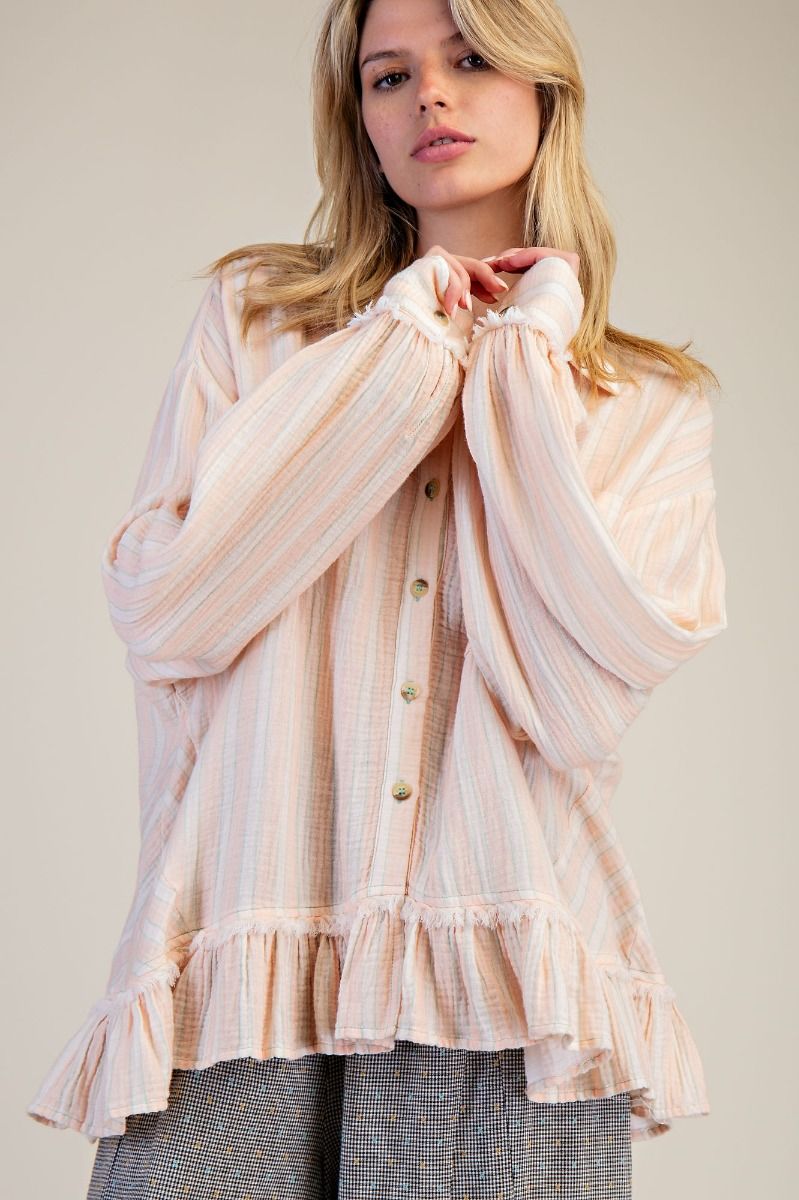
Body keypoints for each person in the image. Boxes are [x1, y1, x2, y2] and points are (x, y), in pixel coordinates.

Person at [27, 0, 729, 1197]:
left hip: (505, 977)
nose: (431, 98)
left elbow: (575, 698)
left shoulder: (643, 404)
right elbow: (171, 611)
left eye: (468, 59)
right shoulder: (259, 329)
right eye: (388, 76)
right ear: (357, 118)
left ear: (544, 88)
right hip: (242, 950)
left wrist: (520, 360)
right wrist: (401, 349)